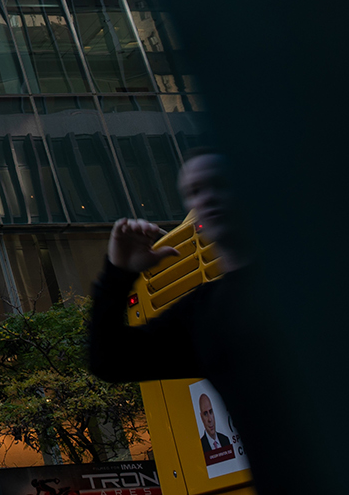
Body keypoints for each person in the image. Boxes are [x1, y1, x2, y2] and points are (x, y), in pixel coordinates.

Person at [87, 152, 269, 479]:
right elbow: (109, 359)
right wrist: (118, 274)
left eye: (219, 184)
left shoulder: (316, 277)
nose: (207, 197)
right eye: (195, 191)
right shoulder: (204, 312)